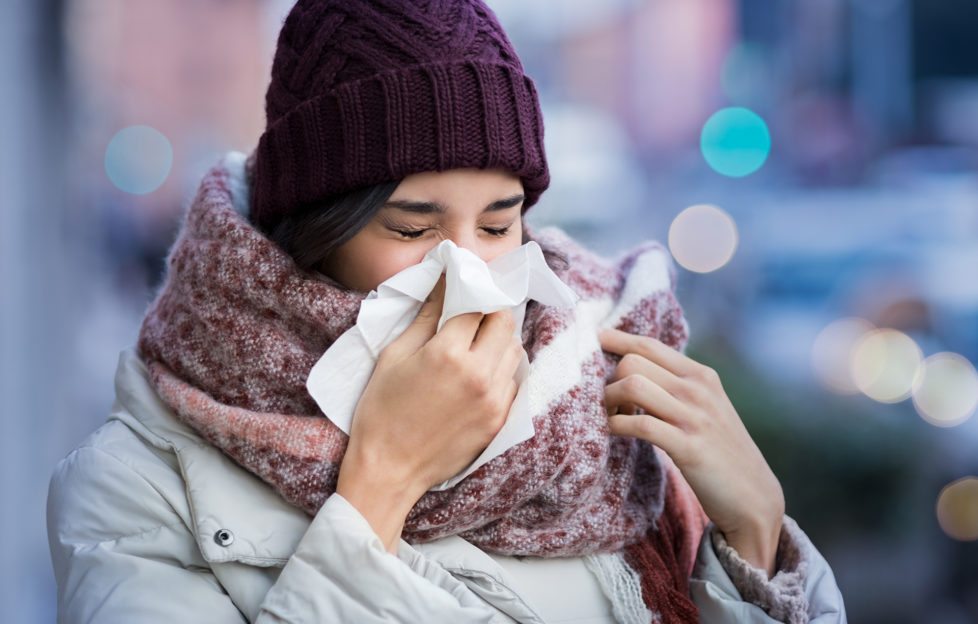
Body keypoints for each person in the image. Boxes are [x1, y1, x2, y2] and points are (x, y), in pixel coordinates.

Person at [47, 1, 847, 622]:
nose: (469, 268)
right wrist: (380, 488)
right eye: (412, 227)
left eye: (499, 224)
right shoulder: (135, 487)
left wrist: (755, 544)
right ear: (311, 229)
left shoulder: (599, 393)